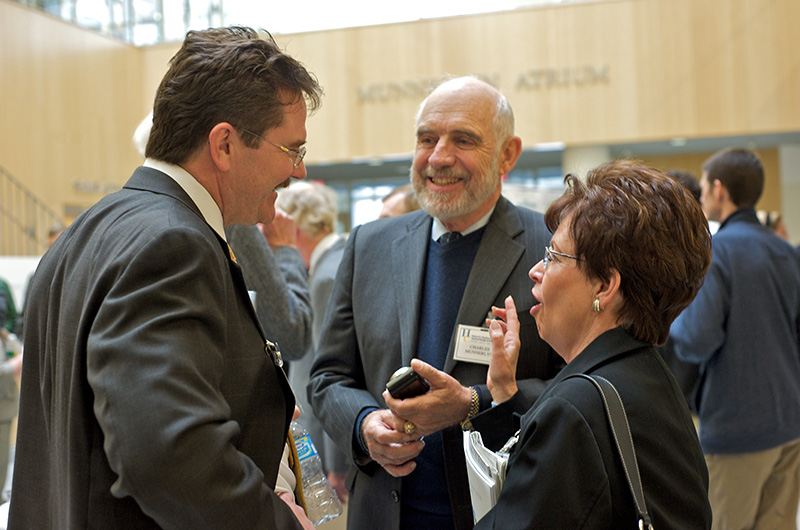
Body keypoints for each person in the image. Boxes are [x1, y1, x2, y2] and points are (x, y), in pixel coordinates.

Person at [10, 26, 322, 530]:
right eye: (292, 149)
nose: (300, 171)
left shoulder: (91, 228)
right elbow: (166, 452)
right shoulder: (174, 244)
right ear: (223, 145)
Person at [308, 76, 562, 530]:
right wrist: (366, 425)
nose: (439, 157)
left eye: (463, 140)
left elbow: (580, 384)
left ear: (508, 154)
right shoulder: (369, 244)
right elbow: (328, 377)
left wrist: (473, 402)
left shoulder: (550, 247)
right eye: (427, 139)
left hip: (507, 512)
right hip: (383, 514)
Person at [471, 160, 713, 528]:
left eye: (553, 256)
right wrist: (505, 392)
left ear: (604, 285)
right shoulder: (645, 371)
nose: (536, 271)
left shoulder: (576, 406)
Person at [671, 147, 800, 530]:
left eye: (706, 189)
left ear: (718, 189)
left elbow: (697, 339)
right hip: (790, 421)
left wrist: (672, 318)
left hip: (736, 428)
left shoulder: (719, 252)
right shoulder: (788, 252)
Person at [276, 181, 350, 501]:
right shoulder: (340, 257)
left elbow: (331, 371)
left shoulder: (326, 276)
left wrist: (335, 464)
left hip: (332, 447)